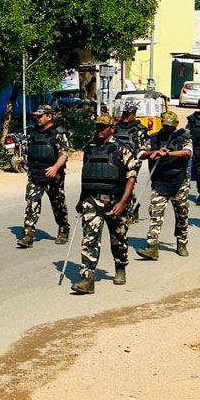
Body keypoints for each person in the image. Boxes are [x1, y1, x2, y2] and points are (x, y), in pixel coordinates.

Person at [70, 114, 137, 292]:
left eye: (103, 127)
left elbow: (131, 177)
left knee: (119, 239)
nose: (99, 130)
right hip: (92, 200)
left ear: (111, 129)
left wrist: (123, 202)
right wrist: (81, 199)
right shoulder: (89, 149)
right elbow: (86, 175)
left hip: (115, 201)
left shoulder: (122, 150)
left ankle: (120, 267)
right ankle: (87, 278)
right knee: (90, 239)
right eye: (97, 127)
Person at [135, 111, 191, 261]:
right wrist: (155, 152)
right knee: (155, 214)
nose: (167, 128)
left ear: (176, 124)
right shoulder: (154, 138)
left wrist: (168, 154)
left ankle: (181, 242)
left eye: (170, 126)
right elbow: (140, 153)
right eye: (165, 125)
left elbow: (187, 152)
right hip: (160, 181)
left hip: (179, 182)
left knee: (182, 214)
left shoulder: (184, 137)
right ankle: (152, 247)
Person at [16, 105, 70, 249]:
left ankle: (64, 228)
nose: (37, 119)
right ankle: (28, 235)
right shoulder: (33, 133)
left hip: (53, 176)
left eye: (40, 116)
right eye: (36, 116)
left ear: (49, 116)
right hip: (35, 175)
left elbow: (64, 154)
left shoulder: (58, 133)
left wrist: (55, 168)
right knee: (31, 204)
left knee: (58, 205)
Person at [112, 102, 149, 223]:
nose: (125, 116)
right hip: (117, 160)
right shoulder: (116, 127)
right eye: (124, 113)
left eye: (128, 114)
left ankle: (130, 211)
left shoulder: (140, 130)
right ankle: (132, 205)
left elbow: (143, 147)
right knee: (121, 185)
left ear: (134, 115)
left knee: (129, 184)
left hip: (133, 161)